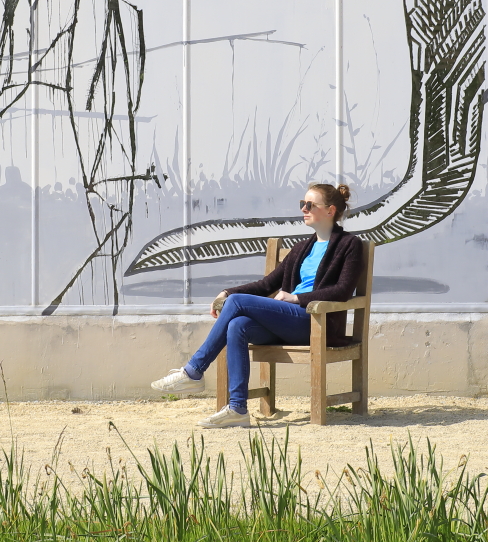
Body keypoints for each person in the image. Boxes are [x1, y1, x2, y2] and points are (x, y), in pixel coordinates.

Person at [151, 182, 365, 428]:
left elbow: (343, 291)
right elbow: (266, 285)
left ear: (330, 211)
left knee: (237, 303)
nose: (303, 209)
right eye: (302, 204)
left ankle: (193, 372)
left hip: (316, 321)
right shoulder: (301, 249)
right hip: (289, 320)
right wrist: (228, 291)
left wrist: (296, 298)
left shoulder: (349, 245)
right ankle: (238, 409)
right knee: (238, 326)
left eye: (310, 205)